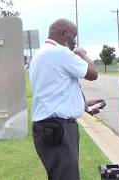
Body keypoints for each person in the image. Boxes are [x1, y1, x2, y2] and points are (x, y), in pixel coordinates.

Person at [29, 18, 98, 180]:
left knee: (59, 175)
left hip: (45, 127)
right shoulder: (60, 52)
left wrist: (83, 105)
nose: (75, 41)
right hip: (60, 129)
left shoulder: (39, 54)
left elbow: (56, 91)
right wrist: (82, 54)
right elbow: (93, 74)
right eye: (74, 36)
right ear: (64, 34)